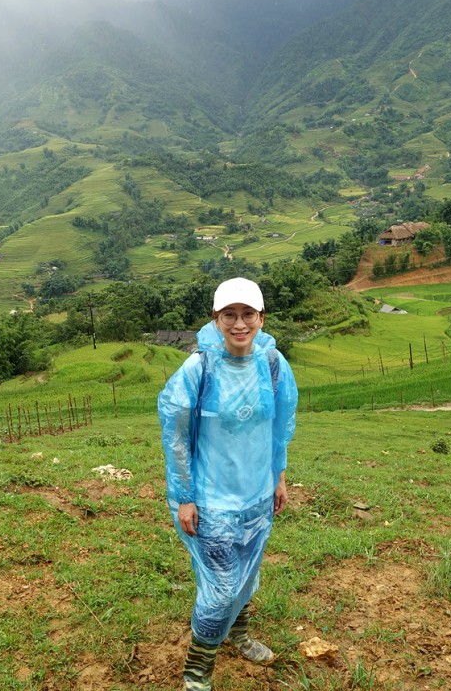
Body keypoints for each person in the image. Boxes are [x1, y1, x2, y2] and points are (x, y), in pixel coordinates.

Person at [158, 277, 298, 691]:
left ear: (261, 318)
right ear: (216, 320)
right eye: (230, 315)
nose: (240, 324)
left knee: (248, 577)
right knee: (220, 592)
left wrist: (280, 478)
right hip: (212, 502)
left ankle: (239, 635)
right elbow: (177, 438)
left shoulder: (274, 365)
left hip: (257, 497)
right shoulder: (198, 369)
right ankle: (197, 671)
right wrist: (185, 498)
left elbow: (280, 428)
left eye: (248, 314)